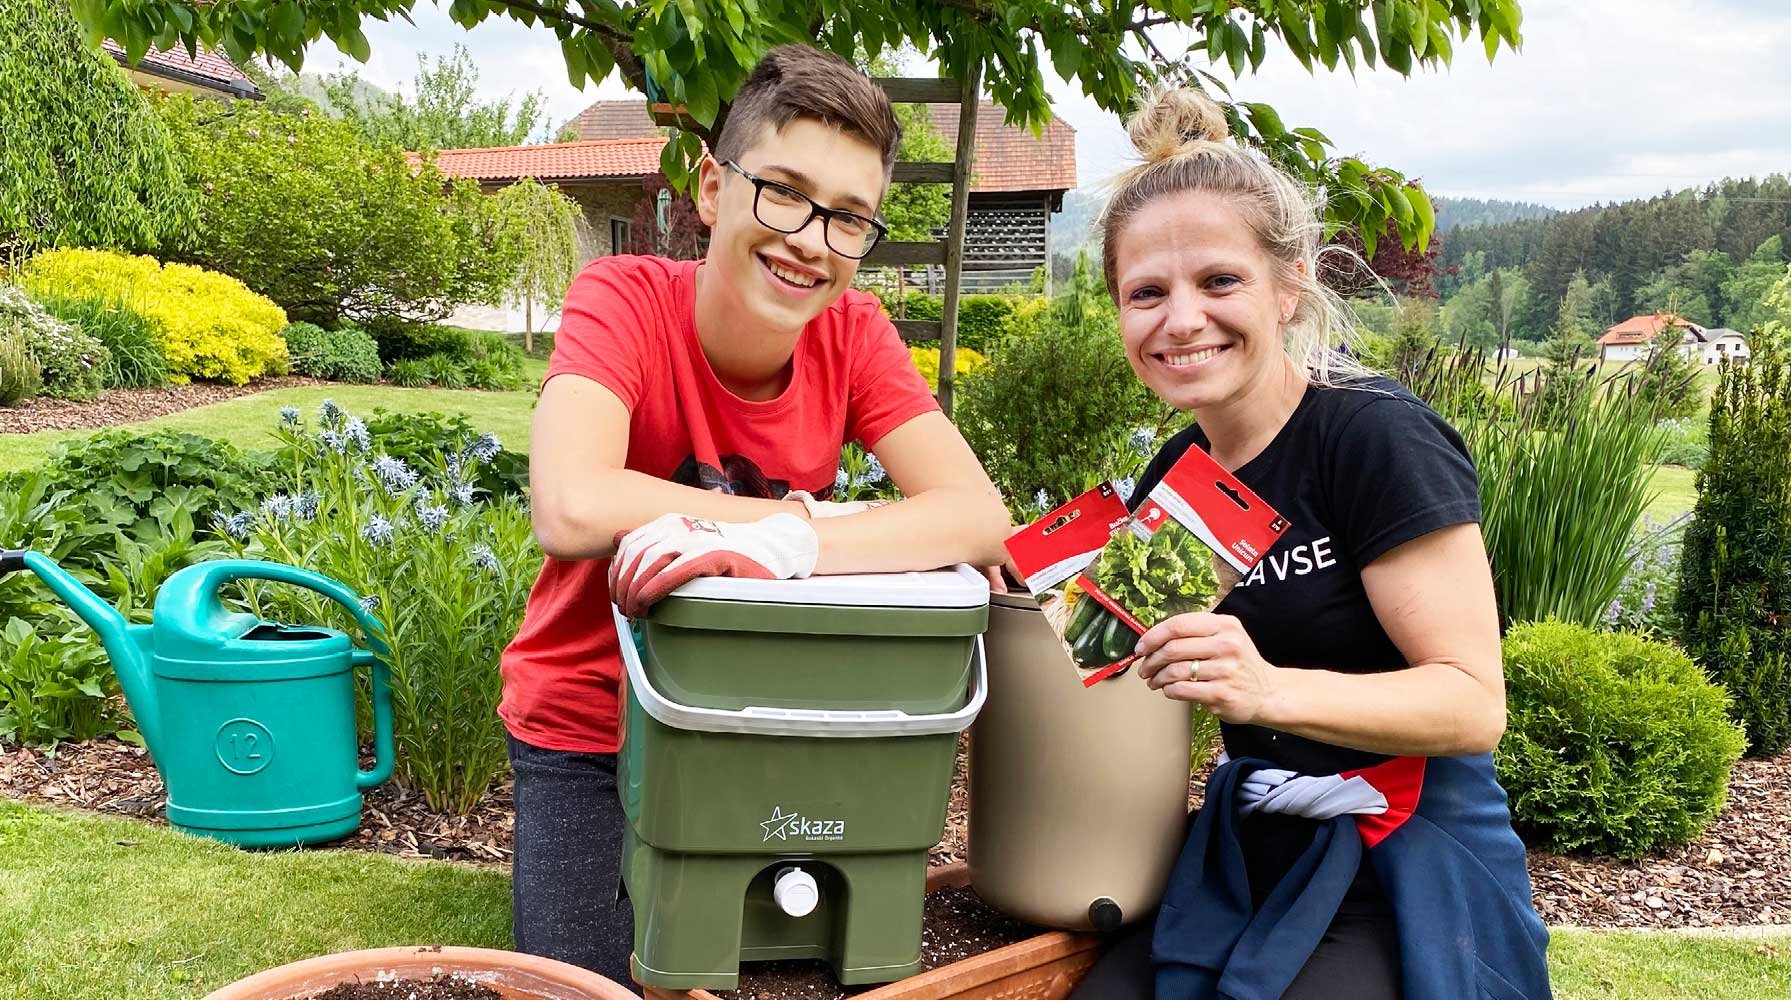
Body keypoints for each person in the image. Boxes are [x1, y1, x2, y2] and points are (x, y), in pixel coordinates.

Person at [501, 44, 1012, 988]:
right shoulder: (623, 301)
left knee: (801, 965)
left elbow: (980, 515)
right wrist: (773, 530)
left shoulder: (853, 334)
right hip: (590, 720)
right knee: (591, 981)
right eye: (782, 190)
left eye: (849, 218)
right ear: (711, 186)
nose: (811, 239)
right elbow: (572, 505)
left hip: (760, 716)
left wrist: (788, 542)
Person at [1065, 89, 1551, 999]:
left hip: (1401, 847)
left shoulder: (1372, 438)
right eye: (1147, 292)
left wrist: (1267, 688)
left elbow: (1474, 704)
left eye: (1219, 281)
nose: (1181, 319)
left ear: (1289, 285)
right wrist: (1024, 596)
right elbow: (1107, 656)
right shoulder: (1178, 471)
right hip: (1255, 842)